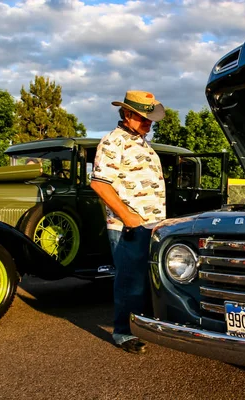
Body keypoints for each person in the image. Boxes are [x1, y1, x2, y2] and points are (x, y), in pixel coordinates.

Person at [90, 90, 166, 355]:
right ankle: (123, 332)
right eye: (144, 118)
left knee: (147, 279)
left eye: (150, 119)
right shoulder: (113, 142)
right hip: (128, 226)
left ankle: (145, 326)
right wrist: (128, 217)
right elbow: (99, 184)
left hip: (152, 226)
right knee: (129, 280)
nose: (149, 123)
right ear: (127, 114)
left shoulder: (143, 144)